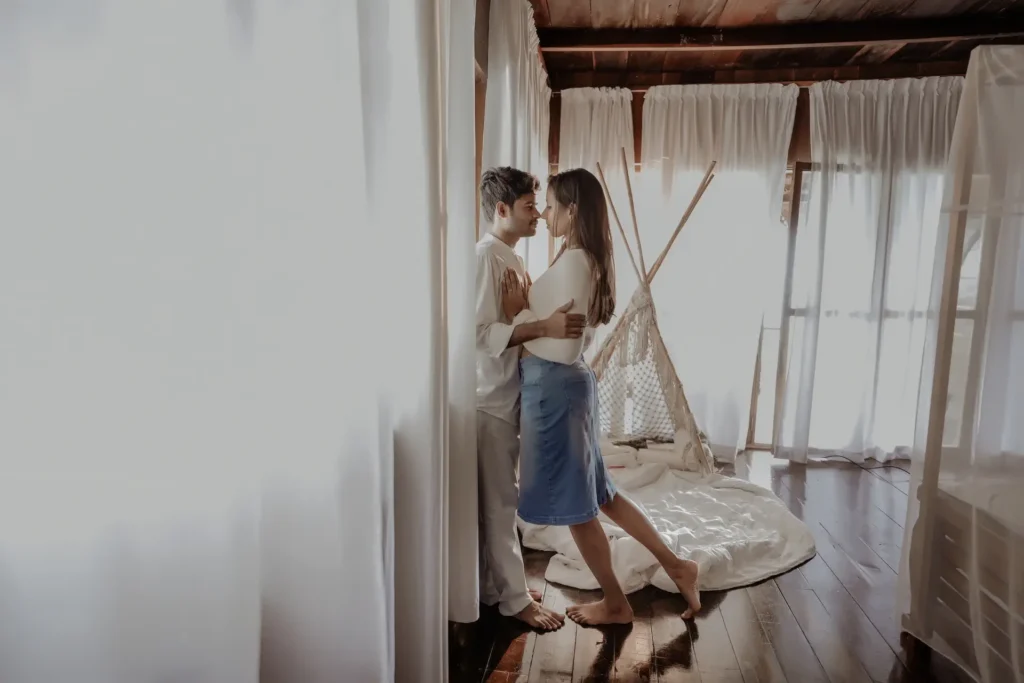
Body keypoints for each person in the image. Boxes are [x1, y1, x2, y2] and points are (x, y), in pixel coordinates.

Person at [504, 167, 702, 627]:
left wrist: (520, 316)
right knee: (603, 497)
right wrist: (534, 314)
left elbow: (563, 343)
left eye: (551, 205)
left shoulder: (575, 261)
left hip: (555, 387)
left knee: (578, 509)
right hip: (567, 385)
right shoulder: (583, 257)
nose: (546, 214)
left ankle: (616, 602)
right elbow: (561, 332)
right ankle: (676, 566)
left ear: (573, 210)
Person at [475, 166, 585, 630]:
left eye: (541, 206)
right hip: (489, 399)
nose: (539, 214)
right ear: (501, 210)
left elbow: (516, 319)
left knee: (504, 500)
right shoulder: (486, 258)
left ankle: (498, 587)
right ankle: (514, 600)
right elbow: (478, 334)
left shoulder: (512, 258)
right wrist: (544, 326)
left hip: (510, 393)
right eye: (529, 206)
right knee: (501, 503)